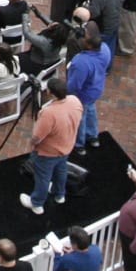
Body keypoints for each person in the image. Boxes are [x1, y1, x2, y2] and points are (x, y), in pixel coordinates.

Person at [21, 77, 82, 213]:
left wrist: (32, 144)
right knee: (61, 170)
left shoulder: (49, 113)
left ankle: (36, 203)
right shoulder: (75, 101)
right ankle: (59, 194)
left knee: (43, 177)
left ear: (51, 93)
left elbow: (37, 136)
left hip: (48, 152)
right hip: (66, 147)